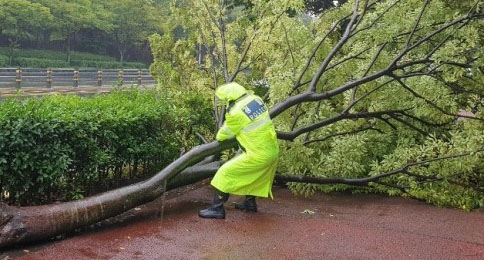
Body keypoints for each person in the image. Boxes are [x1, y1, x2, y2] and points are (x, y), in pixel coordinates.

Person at [199, 82, 279, 219]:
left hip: (258, 155)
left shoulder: (235, 113)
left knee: (224, 172)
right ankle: (250, 204)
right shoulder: (256, 100)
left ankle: (217, 209)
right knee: (254, 176)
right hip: (272, 151)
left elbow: (222, 135)